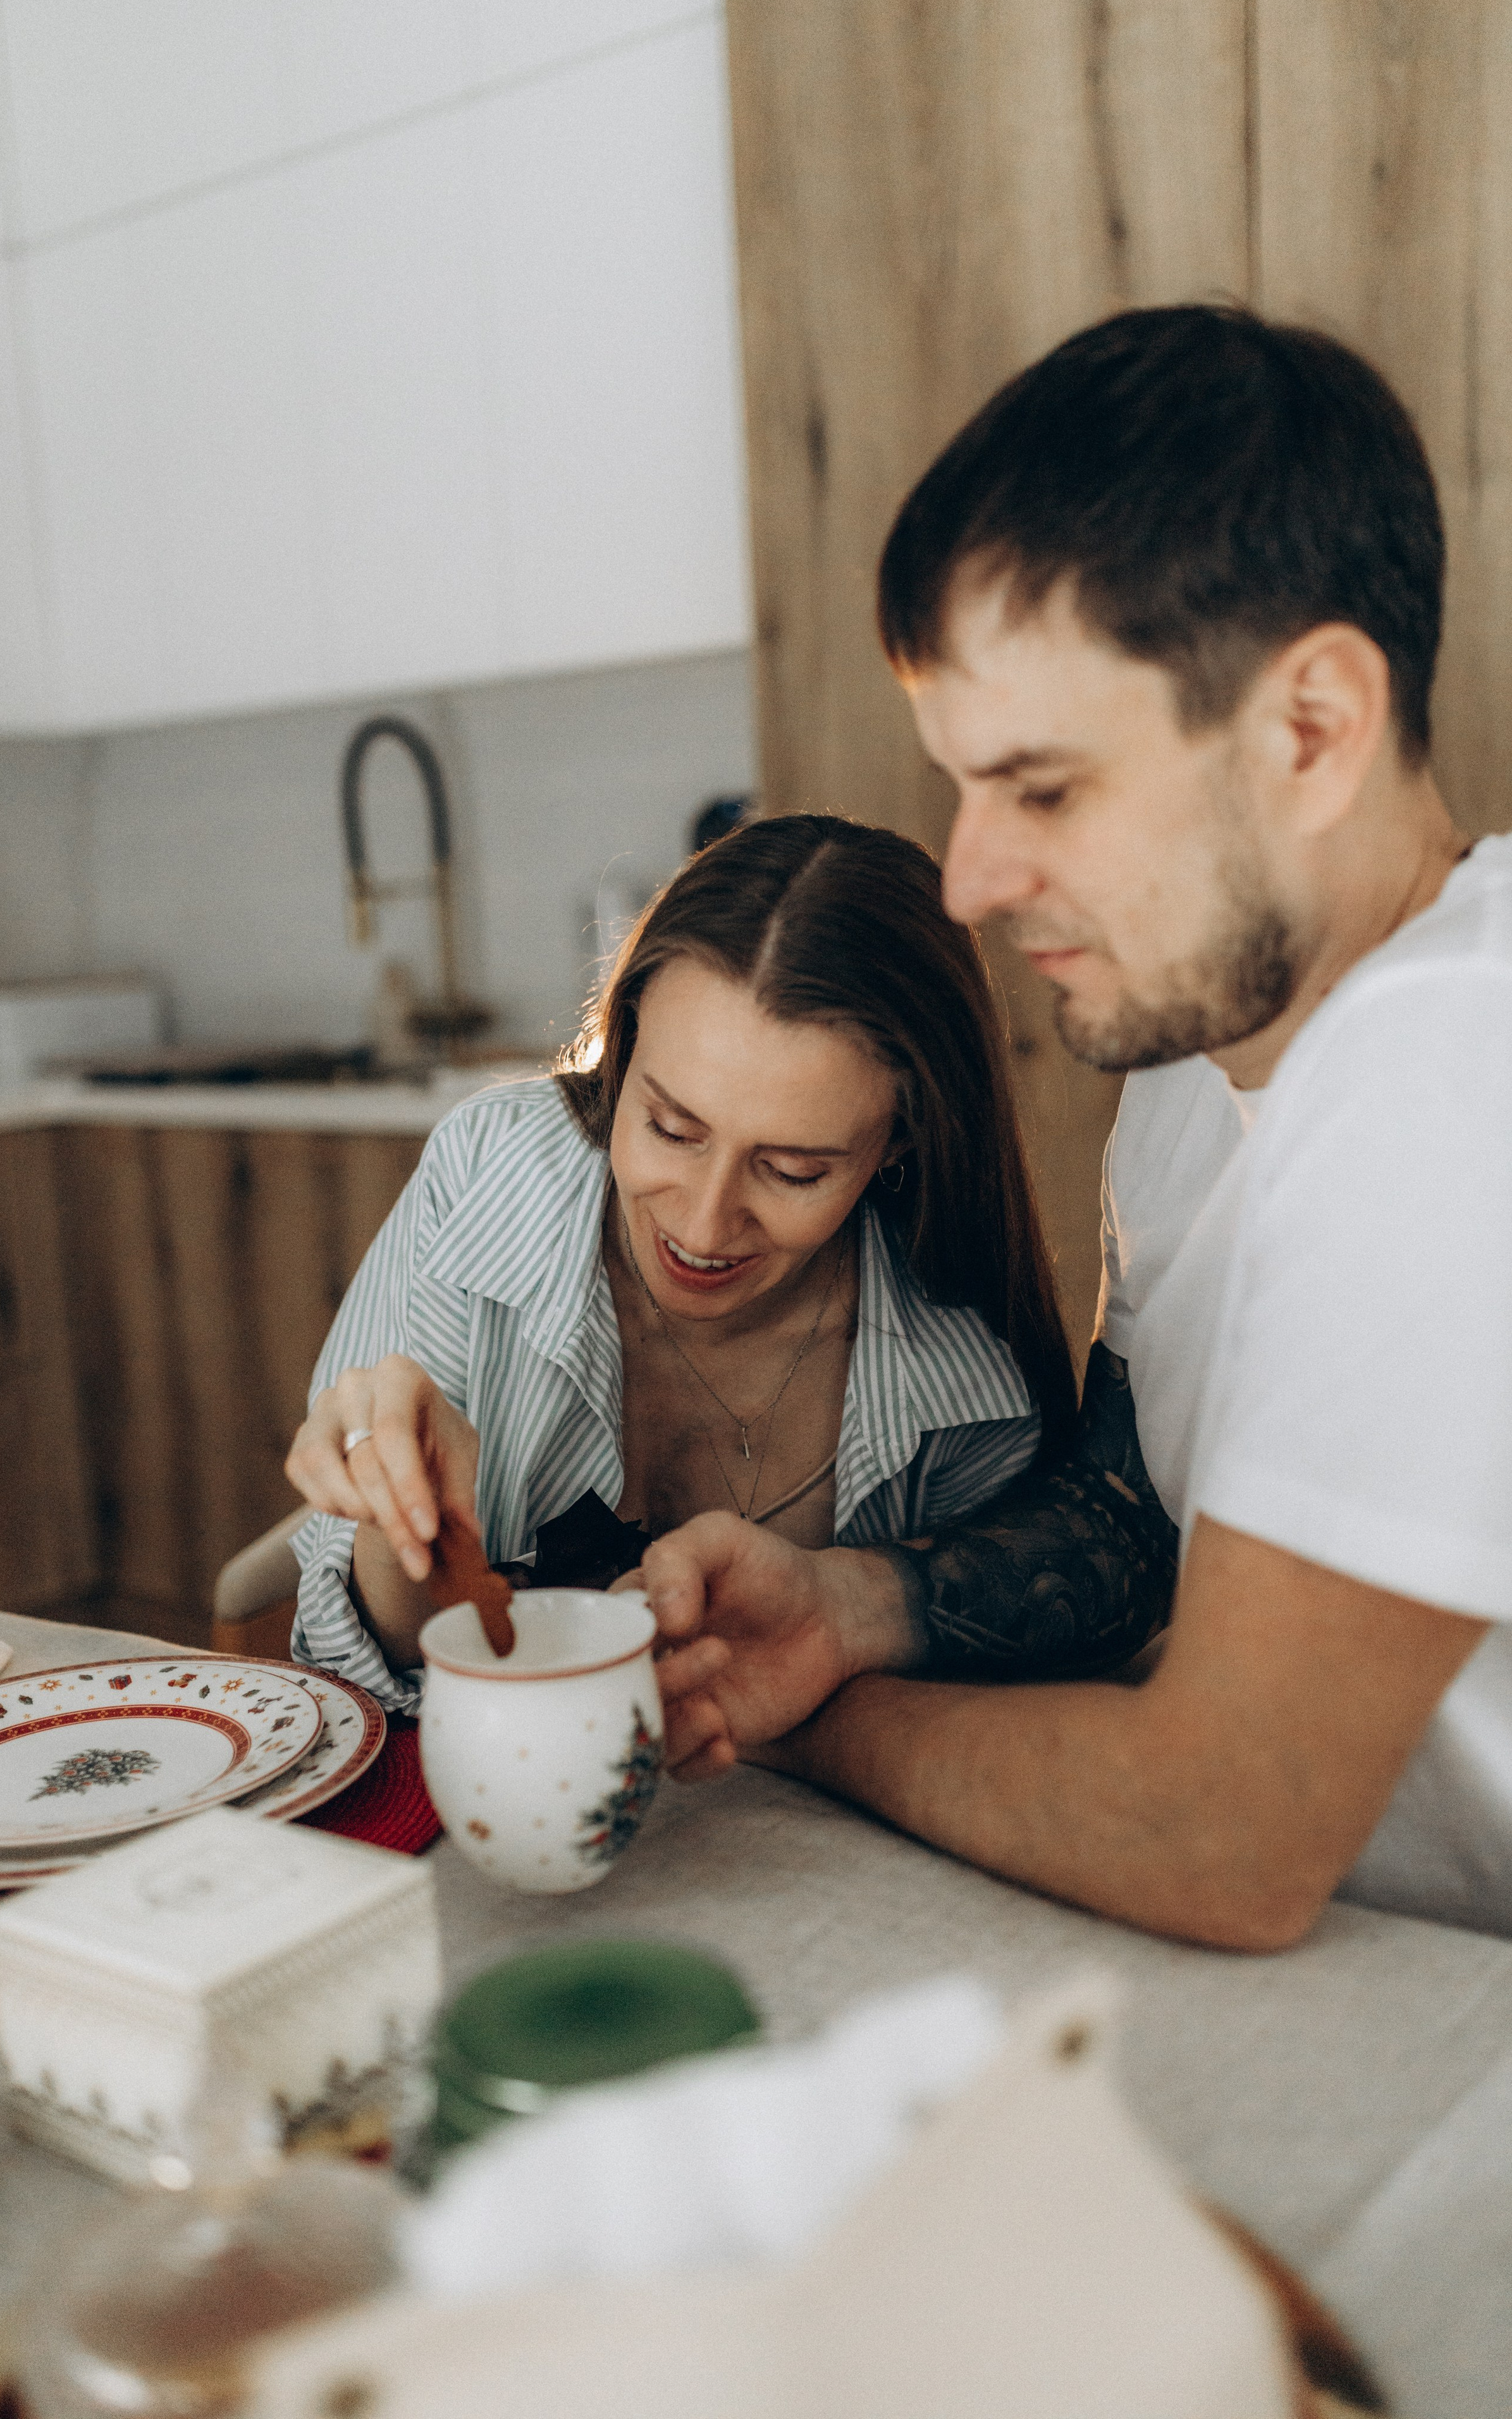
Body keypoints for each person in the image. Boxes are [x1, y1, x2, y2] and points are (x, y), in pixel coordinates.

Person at [646, 305, 1512, 1950]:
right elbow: (1134, 1514)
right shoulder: (1198, 1061)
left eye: (1042, 791)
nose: (968, 881)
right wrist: (845, 1609)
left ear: (1311, 730)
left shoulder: (1455, 1065)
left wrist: (806, 1721)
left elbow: (1220, 1838)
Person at [283, 814, 1089, 1713]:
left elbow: (981, 1695)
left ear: (898, 1143)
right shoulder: (487, 1175)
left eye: (793, 1171)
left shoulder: (965, 1377)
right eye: (670, 1128)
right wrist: (407, 1531)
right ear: (622, 1050)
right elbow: (358, 1662)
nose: (705, 1225)